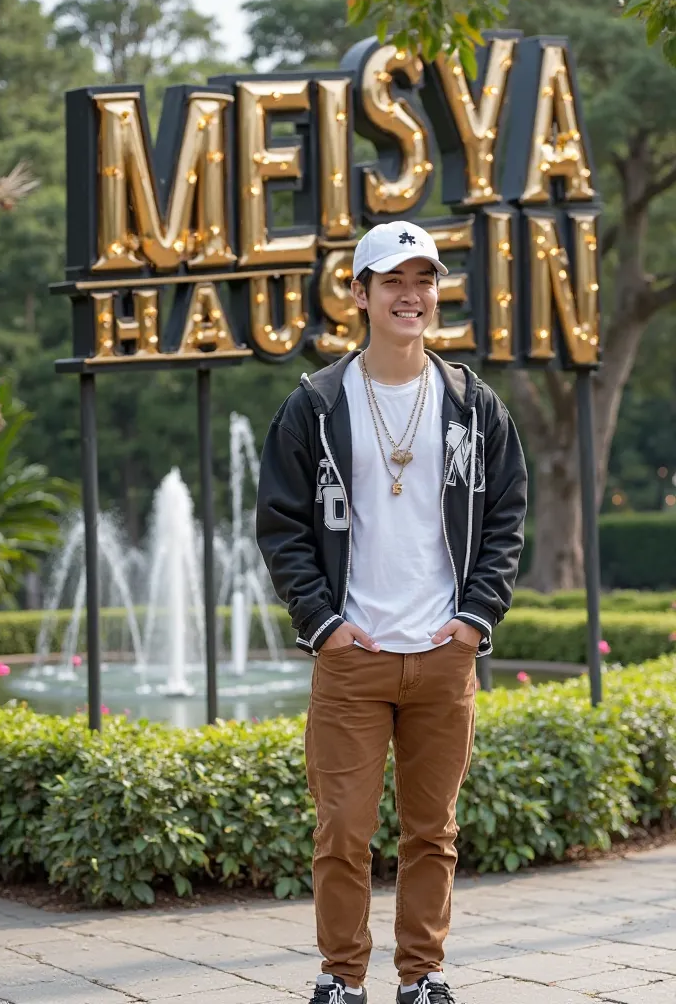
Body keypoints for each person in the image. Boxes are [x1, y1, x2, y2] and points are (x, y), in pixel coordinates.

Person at [256, 219, 527, 1004]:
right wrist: (324, 625)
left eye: (424, 281)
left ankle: (425, 975)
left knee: (431, 832)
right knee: (342, 830)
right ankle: (341, 978)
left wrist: (477, 617)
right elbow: (281, 524)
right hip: (353, 657)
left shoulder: (472, 405)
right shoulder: (317, 404)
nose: (411, 295)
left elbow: (507, 514)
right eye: (394, 282)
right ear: (361, 294)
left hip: (444, 653)